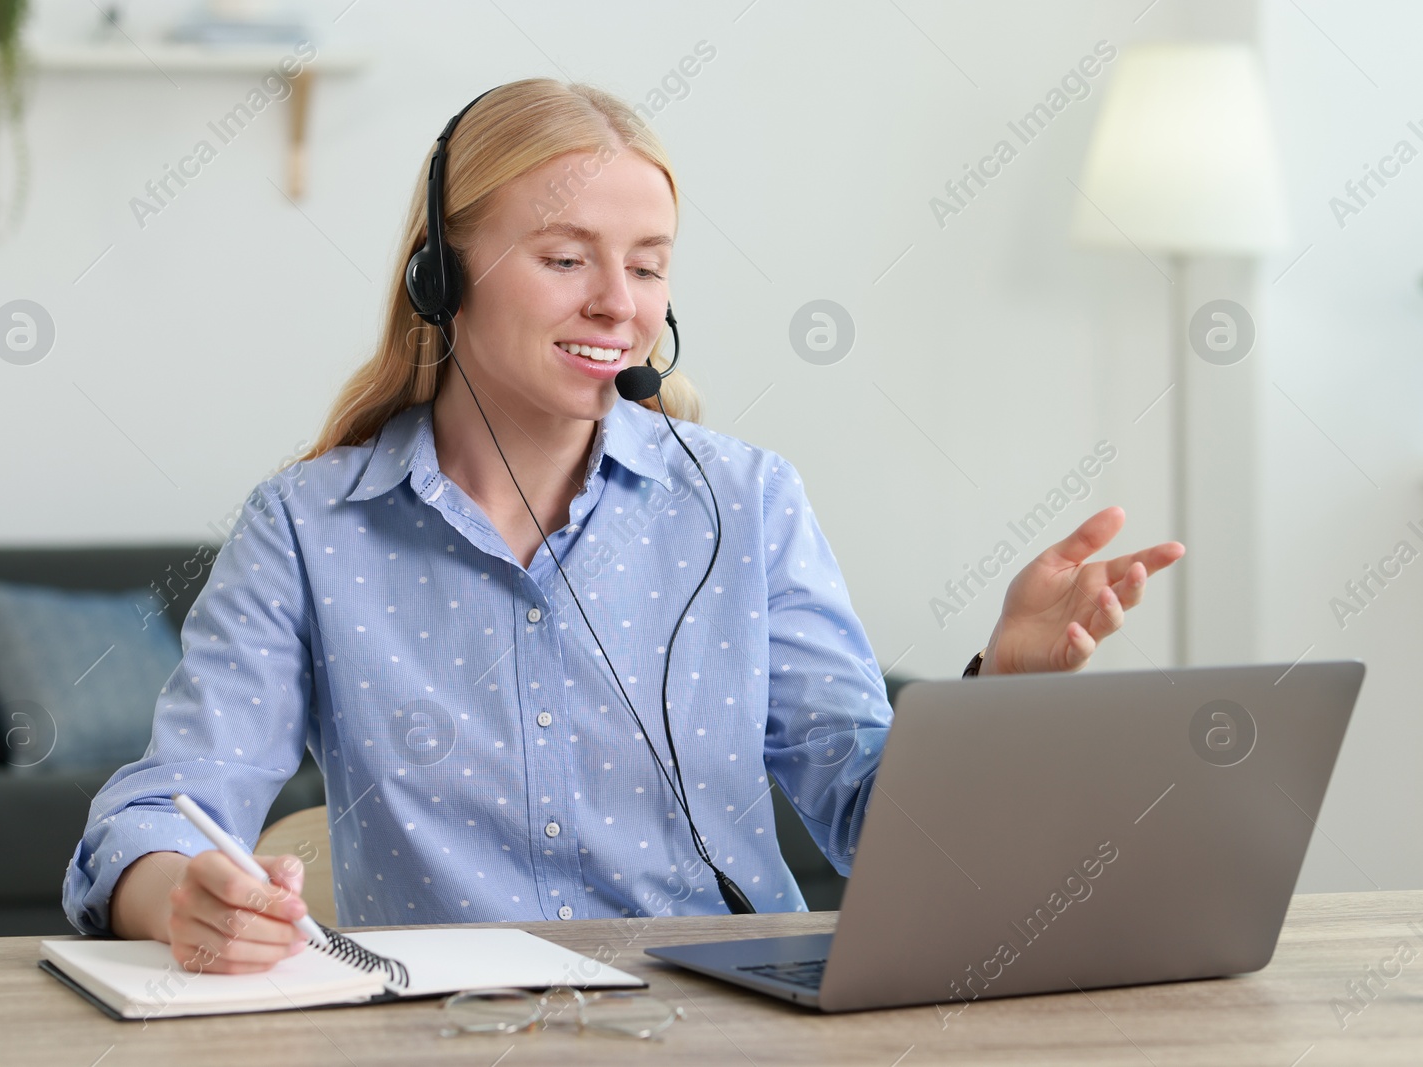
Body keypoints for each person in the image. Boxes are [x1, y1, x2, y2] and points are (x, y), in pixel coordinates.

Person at [63, 78, 1183, 974]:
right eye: (565, 258)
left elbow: (869, 820)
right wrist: (184, 899)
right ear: (440, 276)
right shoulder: (309, 526)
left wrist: (1005, 695)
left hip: (730, 1028)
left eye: (648, 266)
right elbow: (167, 805)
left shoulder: (745, 502)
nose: (619, 303)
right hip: (449, 1034)